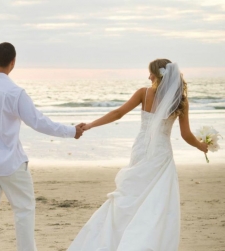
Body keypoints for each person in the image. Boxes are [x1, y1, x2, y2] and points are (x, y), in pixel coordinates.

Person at [67, 59, 208, 251]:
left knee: (131, 193)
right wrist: (201, 146)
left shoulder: (144, 93)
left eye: (150, 73)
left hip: (142, 148)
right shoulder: (180, 101)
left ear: (158, 75)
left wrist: (91, 125)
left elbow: (118, 113)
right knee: (158, 202)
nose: (148, 76)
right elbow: (186, 135)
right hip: (162, 153)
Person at [0, 42, 85, 251]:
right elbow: (38, 122)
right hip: (10, 163)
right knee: (24, 210)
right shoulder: (15, 92)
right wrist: (71, 131)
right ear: (13, 62)